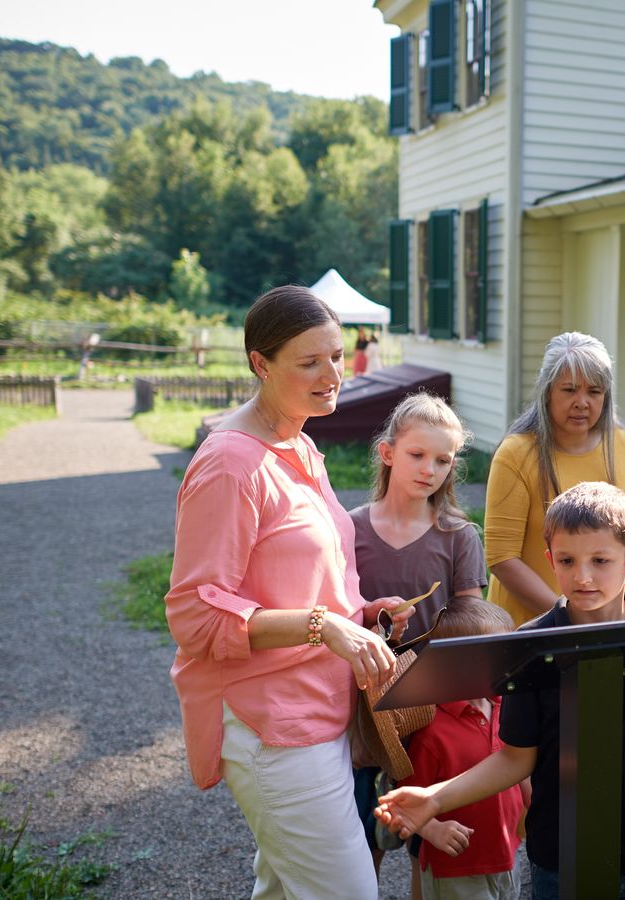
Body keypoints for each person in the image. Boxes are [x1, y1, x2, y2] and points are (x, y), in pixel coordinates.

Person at [164, 284, 413, 899]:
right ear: (260, 364)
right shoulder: (230, 464)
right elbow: (196, 613)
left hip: (320, 712)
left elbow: (304, 571)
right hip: (274, 728)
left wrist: (362, 614)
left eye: (335, 356)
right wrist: (322, 624)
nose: (332, 374)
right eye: (309, 362)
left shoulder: (300, 444)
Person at [376, 482, 625, 900]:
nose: (583, 576)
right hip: (562, 858)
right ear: (550, 560)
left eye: (600, 560)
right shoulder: (530, 649)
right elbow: (515, 757)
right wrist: (435, 798)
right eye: (567, 560)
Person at [348, 392, 489, 882]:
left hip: (435, 710)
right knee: (364, 833)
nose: (430, 469)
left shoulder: (458, 536)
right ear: (388, 453)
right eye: (417, 455)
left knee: (425, 845)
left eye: (443, 460)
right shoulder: (349, 530)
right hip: (365, 708)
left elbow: (471, 627)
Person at [484, 332, 625, 627]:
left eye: (594, 391)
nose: (582, 402)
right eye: (569, 390)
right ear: (547, 391)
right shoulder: (516, 453)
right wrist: (567, 617)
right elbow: (502, 559)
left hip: (610, 623)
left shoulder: (620, 443)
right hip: (532, 628)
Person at [399, 597, 527, 900]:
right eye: (493, 655)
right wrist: (432, 830)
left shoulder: (503, 707)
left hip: (507, 856)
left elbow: (517, 765)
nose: (504, 664)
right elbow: (405, 802)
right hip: (458, 867)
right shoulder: (433, 731)